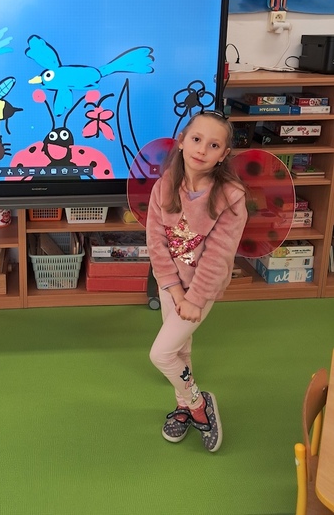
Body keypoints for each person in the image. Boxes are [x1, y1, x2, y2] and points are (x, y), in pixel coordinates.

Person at [146, 110, 248, 453]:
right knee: (180, 350)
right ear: (182, 142)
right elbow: (156, 243)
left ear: (223, 154)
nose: (202, 149)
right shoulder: (164, 186)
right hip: (171, 285)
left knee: (161, 354)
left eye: (214, 145)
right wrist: (174, 290)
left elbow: (218, 256)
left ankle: (198, 403)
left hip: (200, 292)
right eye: (196, 139)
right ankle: (184, 406)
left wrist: (193, 299)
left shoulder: (230, 196)